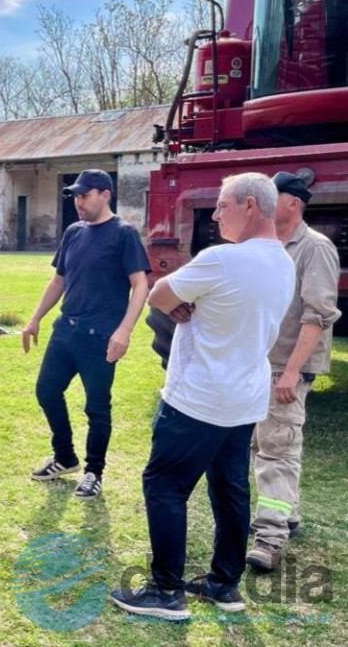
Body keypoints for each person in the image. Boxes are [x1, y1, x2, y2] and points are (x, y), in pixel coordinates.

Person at [111, 172, 295, 621]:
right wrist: (178, 300)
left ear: (250, 205)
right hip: (245, 397)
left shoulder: (224, 260)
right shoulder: (284, 261)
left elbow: (157, 292)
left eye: (221, 205)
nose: (214, 215)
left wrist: (174, 300)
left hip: (200, 397)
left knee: (165, 486)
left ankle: (166, 591)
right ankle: (223, 584)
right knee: (231, 491)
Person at [22, 169, 150, 499]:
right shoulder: (73, 232)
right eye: (76, 196)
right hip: (66, 331)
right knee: (47, 391)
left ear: (105, 194)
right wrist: (35, 318)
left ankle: (95, 471)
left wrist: (125, 330)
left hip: (101, 337)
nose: (79, 201)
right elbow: (58, 281)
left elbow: (140, 285)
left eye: (85, 195)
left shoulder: (124, 234)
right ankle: (65, 457)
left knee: (97, 408)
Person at [247, 171, 341, 571]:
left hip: (285, 366)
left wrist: (292, 372)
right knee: (262, 444)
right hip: (259, 363)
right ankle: (287, 513)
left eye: (275, 194)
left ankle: (269, 538)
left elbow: (317, 315)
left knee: (277, 449)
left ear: (293, 203)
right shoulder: (268, 245)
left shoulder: (314, 248)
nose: (266, 200)